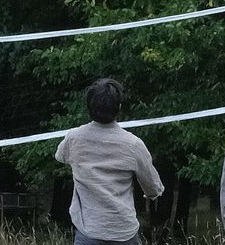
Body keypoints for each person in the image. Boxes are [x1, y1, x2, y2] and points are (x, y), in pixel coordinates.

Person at [54, 78, 164, 245]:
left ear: (89, 107)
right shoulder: (133, 144)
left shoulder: (74, 138)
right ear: (119, 107)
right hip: (123, 233)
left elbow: (60, 156)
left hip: (88, 232)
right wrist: (151, 194)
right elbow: (153, 187)